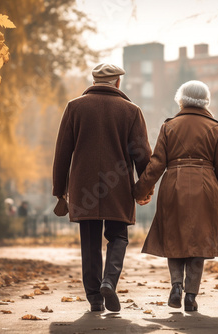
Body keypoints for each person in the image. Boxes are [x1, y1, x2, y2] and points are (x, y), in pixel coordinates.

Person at [52, 63, 152, 312]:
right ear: (118, 83)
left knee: (90, 241)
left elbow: (62, 152)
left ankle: (95, 298)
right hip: (117, 185)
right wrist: (144, 188)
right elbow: (141, 154)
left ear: (94, 81)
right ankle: (109, 281)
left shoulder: (75, 107)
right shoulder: (132, 111)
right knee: (118, 236)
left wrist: (59, 190)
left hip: (83, 186)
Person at [134, 80, 218, 312]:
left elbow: (156, 163)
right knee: (198, 242)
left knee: (174, 237)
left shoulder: (169, 126)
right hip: (206, 187)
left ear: (181, 99)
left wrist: (140, 189)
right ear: (205, 100)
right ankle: (191, 295)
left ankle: (176, 286)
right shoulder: (215, 128)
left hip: (174, 185)